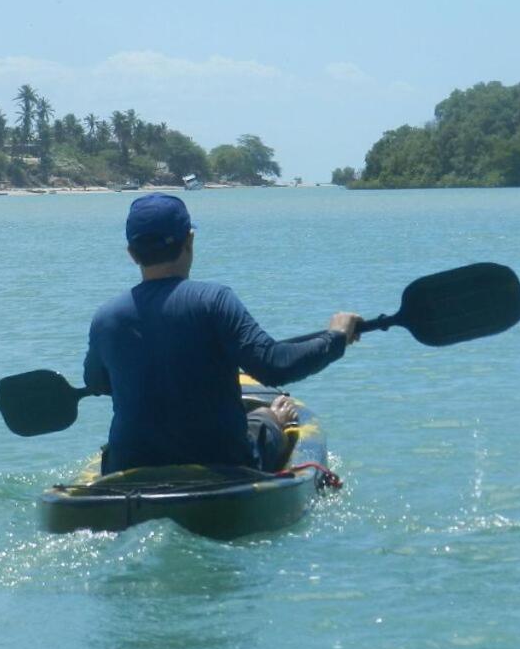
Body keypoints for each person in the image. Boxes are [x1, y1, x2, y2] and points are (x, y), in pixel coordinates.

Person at [84, 192, 361, 474]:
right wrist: (335, 337)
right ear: (189, 240)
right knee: (266, 416)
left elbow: (97, 383)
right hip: (224, 462)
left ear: (132, 253)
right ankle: (271, 417)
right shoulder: (214, 301)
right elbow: (275, 365)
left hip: (130, 465)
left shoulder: (105, 318)